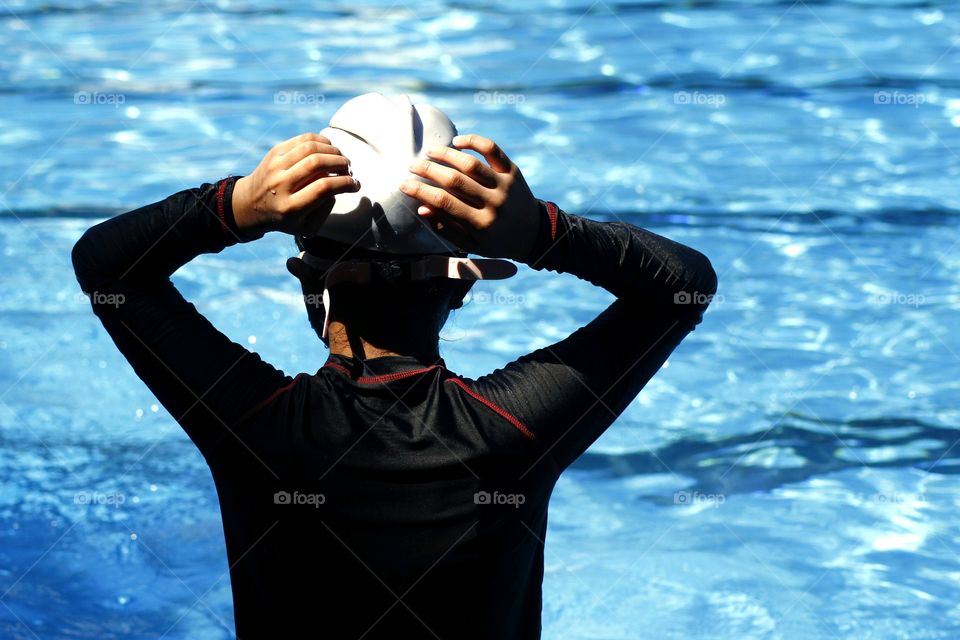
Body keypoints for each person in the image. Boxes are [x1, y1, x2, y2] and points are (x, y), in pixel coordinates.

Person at [72, 93, 717, 639]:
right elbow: (682, 285)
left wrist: (237, 206)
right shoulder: (513, 431)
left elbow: (105, 267)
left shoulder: (258, 428)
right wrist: (542, 232)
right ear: (463, 285)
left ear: (307, 280)